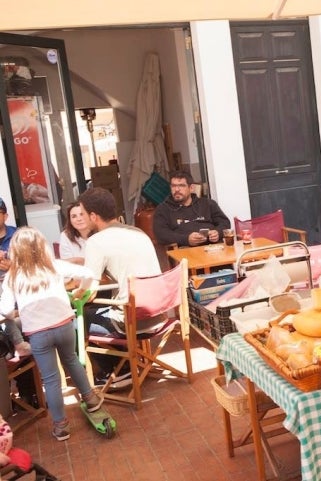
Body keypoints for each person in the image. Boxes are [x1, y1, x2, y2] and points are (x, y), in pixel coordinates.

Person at [0, 227, 104, 442]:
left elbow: (5, 310)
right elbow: (89, 273)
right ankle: (91, 399)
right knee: (72, 360)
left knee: (51, 380)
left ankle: (61, 427)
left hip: (38, 335)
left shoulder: (12, 277)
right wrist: (81, 291)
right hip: (64, 326)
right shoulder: (53, 266)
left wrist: (15, 313)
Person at [79, 187, 164, 385]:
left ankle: (117, 370)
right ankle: (132, 361)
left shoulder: (96, 242)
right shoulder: (138, 232)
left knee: (84, 315)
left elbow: (89, 292)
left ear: (93, 216)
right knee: (110, 303)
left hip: (132, 321)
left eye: (83, 214)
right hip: (159, 313)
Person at [152, 170, 231, 247]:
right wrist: (186, 239)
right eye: (173, 186)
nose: (176, 190)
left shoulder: (208, 204)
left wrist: (218, 233)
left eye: (181, 186)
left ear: (191, 188)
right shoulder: (163, 209)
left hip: (214, 248)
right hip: (184, 250)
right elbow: (161, 234)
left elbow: (225, 223)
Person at [0, 197, 17, 280]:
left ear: (5, 216)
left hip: (16, 286)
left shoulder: (19, 236)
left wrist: (12, 267)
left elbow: (34, 264)